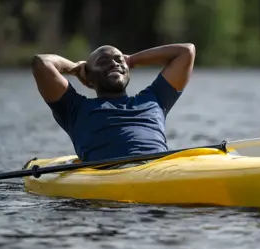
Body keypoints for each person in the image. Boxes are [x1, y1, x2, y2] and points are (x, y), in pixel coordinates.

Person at [31, 43, 196, 163]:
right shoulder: (74, 109)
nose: (114, 63)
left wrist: (131, 60)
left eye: (119, 60)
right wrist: (74, 68)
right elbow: (42, 64)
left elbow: (186, 51)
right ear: (88, 78)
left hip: (159, 170)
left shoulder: (155, 98)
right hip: (113, 175)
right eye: (103, 62)